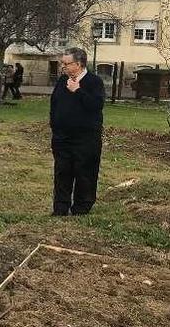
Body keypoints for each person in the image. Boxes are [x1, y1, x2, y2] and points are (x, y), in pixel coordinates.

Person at [50, 48, 105, 216]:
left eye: (67, 64)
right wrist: (54, 125)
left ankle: (81, 207)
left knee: (85, 172)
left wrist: (78, 91)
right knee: (62, 172)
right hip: (62, 137)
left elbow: (96, 105)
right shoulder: (62, 81)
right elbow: (55, 104)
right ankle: (60, 207)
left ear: (79, 64)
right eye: (62, 63)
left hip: (85, 138)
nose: (63, 67)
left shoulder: (94, 82)